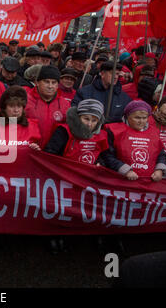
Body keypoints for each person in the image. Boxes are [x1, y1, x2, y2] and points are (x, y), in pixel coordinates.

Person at [45, 99, 109, 254]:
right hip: (64, 179)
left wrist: (101, 163)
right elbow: (49, 153)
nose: (89, 124)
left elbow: (105, 155)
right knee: (62, 209)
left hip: (88, 180)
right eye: (86, 119)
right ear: (78, 117)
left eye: (94, 120)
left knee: (86, 208)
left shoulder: (101, 135)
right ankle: (56, 236)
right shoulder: (64, 131)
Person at [103, 100, 166, 181]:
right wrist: (125, 170)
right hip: (120, 180)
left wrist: (159, 169)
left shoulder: (154, 132)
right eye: (137, 117)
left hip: (148, 182)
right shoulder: (114, 130)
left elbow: (161, 154)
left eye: (144, 118)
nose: (141, 121)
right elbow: (107, 156)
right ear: (127, 116)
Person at [25, 65, 70, 147]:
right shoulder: (25, 100)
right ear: (37, 82)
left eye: (54, 82)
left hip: (51, 154)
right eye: (46, 81)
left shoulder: (65, 104)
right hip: (29, 149)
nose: (50, 86)